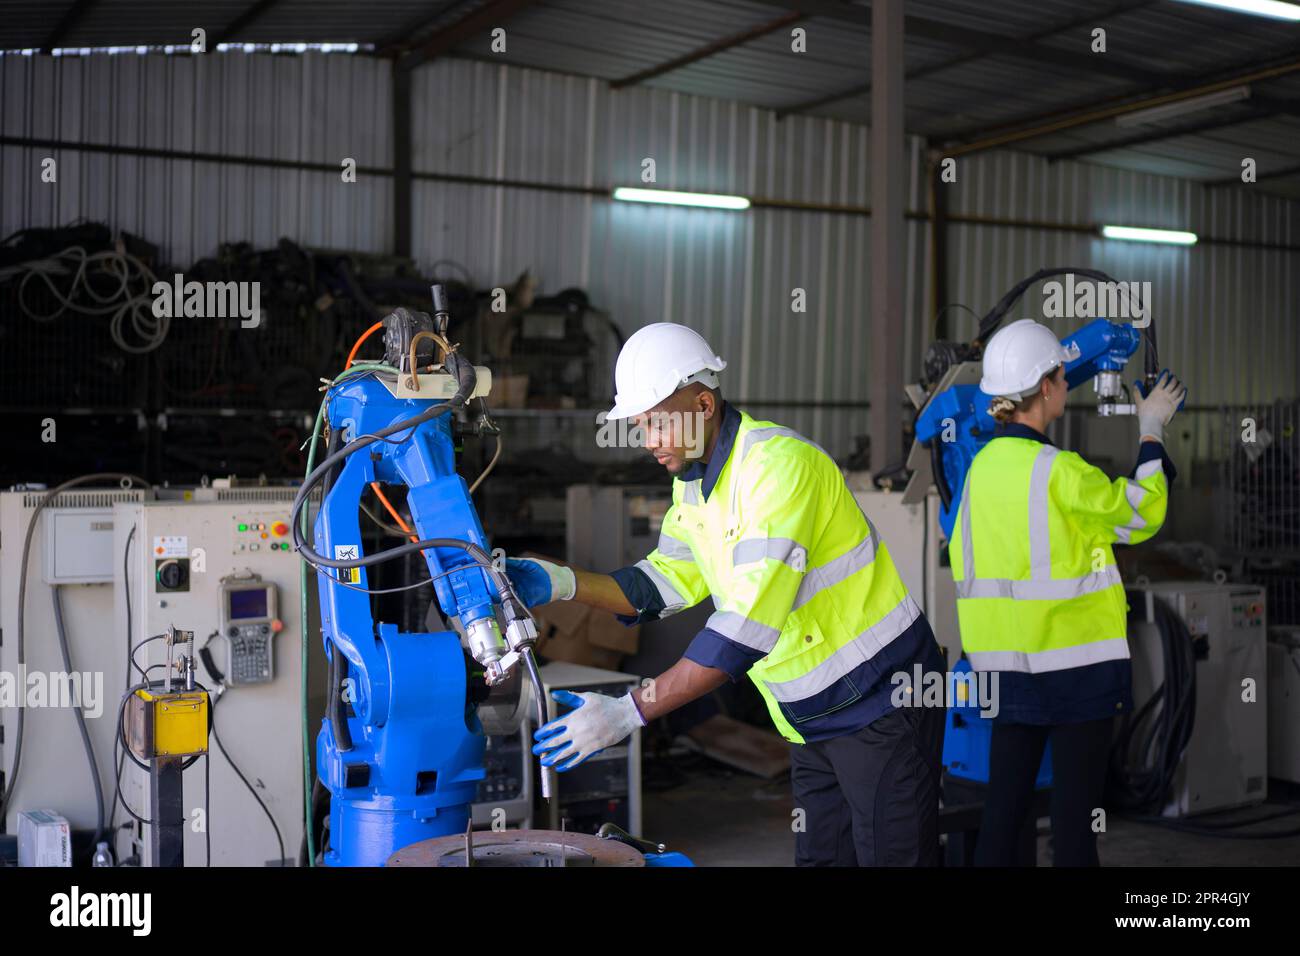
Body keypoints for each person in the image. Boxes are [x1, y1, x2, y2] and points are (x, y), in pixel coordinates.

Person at [506, 322, 947, 866]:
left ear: (703, 403)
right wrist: (562, 583)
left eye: (656, 423)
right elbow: (661, 581)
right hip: (811, 716)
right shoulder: (693, 483)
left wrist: (630, 713)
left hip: (881, 702)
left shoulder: (777, 468)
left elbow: (743, 632)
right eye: (641, 426)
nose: (647, 442)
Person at [951, 318, 1186, 866]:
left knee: (1002, 817)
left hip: (1003, 673)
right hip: (1077, 673)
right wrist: (1151, 432)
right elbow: (1139, 515)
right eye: (1062, 374)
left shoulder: (979, 471)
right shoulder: (1062, 472)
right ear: (1052, 385)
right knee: (1075, 829)